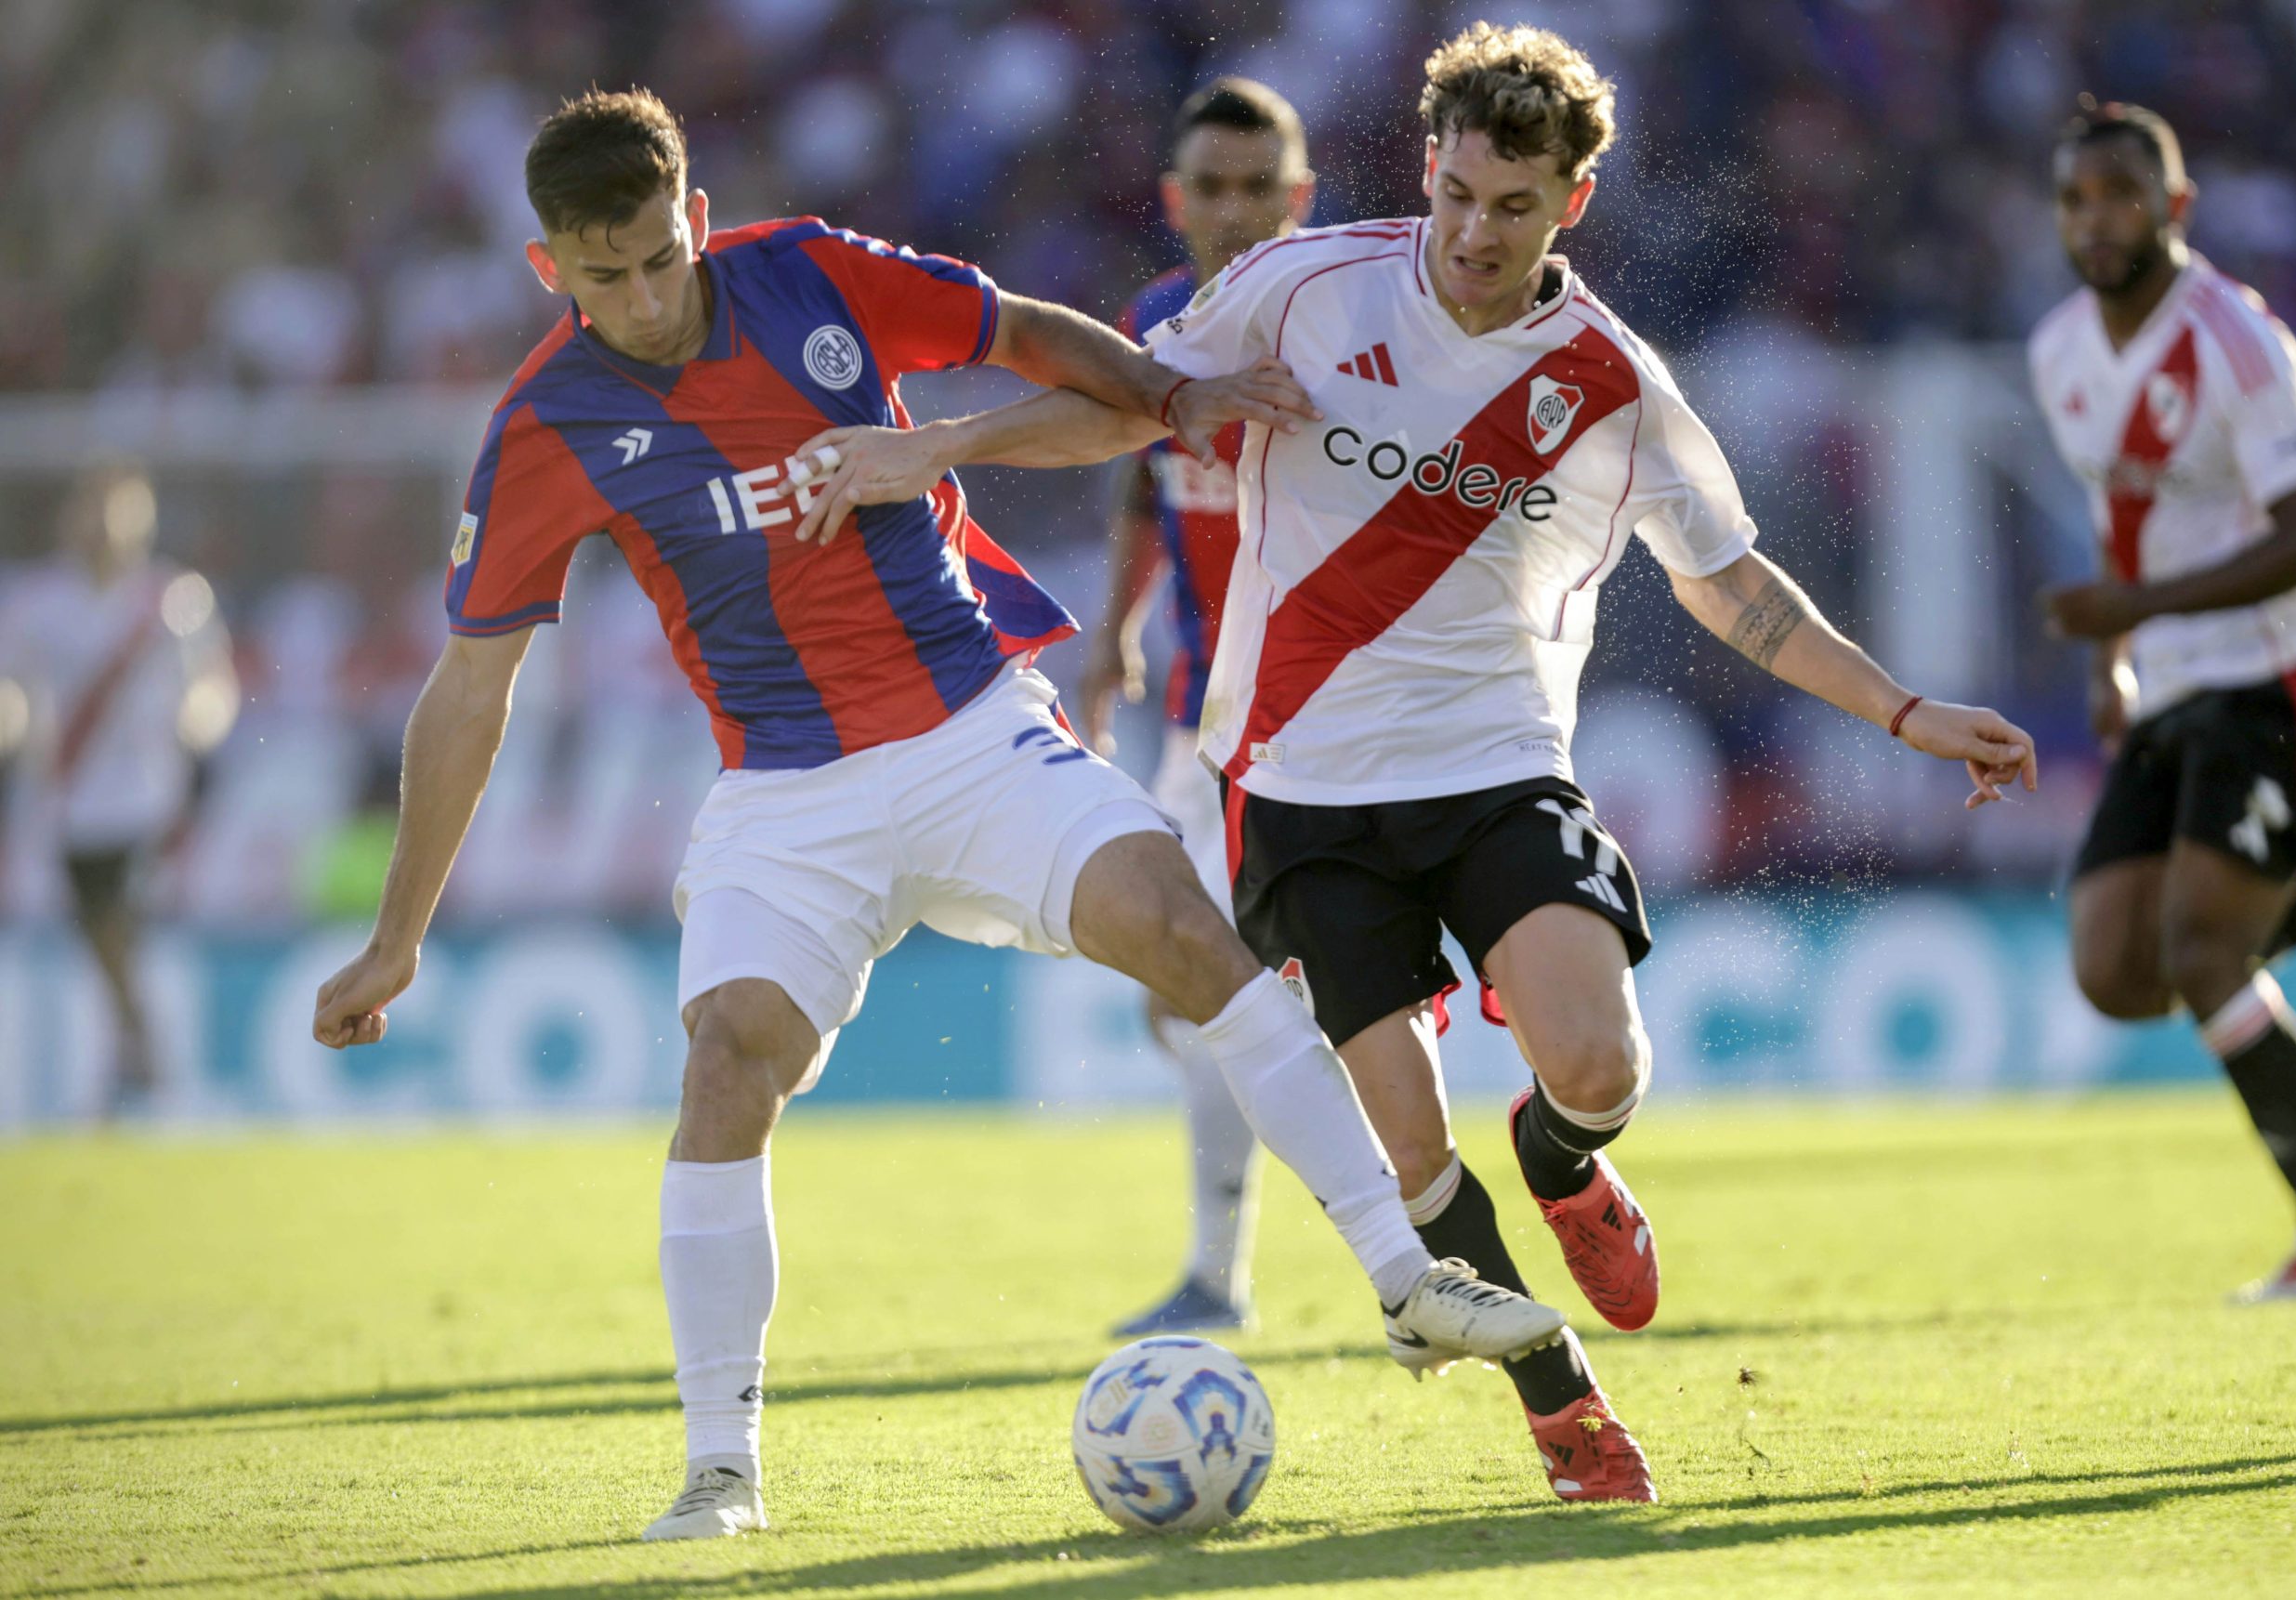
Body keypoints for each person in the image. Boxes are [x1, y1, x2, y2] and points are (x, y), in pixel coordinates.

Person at [789, 21, 2038, 1504]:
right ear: (1425, 171)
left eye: (1512, 207)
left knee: (1598, 1059)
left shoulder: (1609, 380)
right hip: (1299, 789)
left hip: (1501, 767)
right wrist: (934, 450)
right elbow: (1129, 406)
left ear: (1571, 201)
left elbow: (1733, 582)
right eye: (1454, 195)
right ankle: (1559, 1398)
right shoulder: (1305, 286)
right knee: (1408, 1152)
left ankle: (1567, 1162)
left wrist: (1904, 710)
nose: (1472, 233)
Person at [309, 87, 1568, 1543]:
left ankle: (1406, 1279)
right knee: (727, 1062)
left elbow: (1038, 342)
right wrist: (396, 938)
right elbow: (470, 692)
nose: (647, 297)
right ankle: (722, 1468)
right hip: (788, 794)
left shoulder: (812, 277)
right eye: (607, 277)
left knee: (1183, 923)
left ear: (696, 219)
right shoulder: (547, 423)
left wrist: (1170, 400)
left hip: (976, 731)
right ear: (552, 274)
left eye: (662, 256)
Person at [2029, 98, 2296, 1301]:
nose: (2098, 219)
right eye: (2077, 198)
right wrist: (2112, 660)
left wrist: (2145, 611)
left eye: (2124, 195)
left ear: (2174, 207)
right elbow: (2119, 522)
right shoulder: (2060, 349)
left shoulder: (2234, 337)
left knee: (2203, 949)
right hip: (2171, 679)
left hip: (2275, 669)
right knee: (2117, 966)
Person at [1085, 78, 1316, 1340]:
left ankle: (1245, 1271)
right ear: (1177, 201)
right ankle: (1223, 1266)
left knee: (1235, 994)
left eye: (1256, 189)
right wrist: (1113, 629)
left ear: (1300, 198)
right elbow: (1141, 486)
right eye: (1209, 190)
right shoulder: (1154, 326)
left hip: (1331, 720)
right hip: (1196, 716)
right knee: (1181, 997)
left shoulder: (1346, 328)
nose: (1233, 212)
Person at [0, 461, 236, 1112]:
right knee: (98, 933)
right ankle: (133, 1050)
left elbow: (214, 684)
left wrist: (203, 719)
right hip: (69, 800)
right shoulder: (36, 602)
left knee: (118, 925)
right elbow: (13, 689)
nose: (104, 525)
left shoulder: (173, 599)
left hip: (145, 796)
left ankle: (141, 1056)